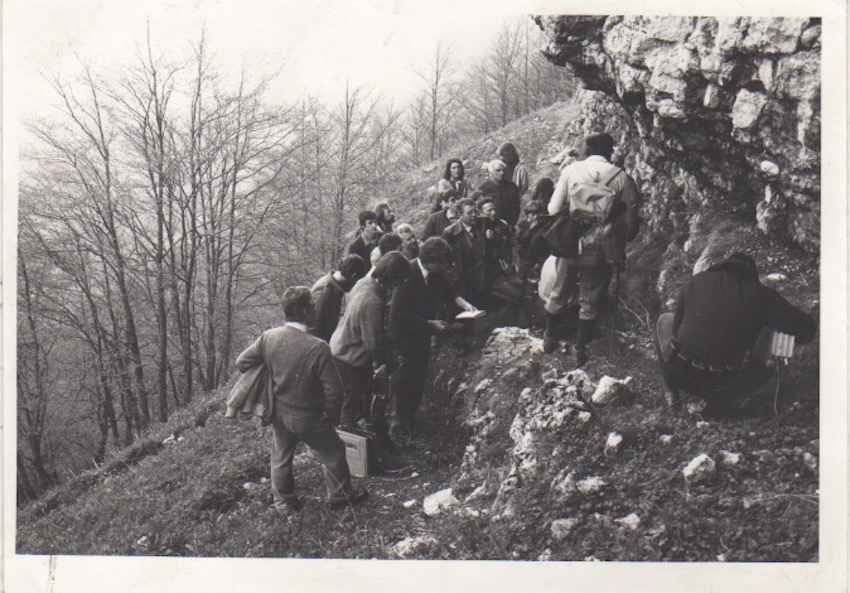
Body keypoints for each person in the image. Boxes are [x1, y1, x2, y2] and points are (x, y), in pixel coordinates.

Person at [235, 287, 368, 514]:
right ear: (306, 311)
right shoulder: (318, 347)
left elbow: (241, 362)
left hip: (278, 411)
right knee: (334, 450)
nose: (316, 310)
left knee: (280, 456)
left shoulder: (269, 337)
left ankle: (284, 503)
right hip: (309, 417)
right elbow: (335, 392)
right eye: (313, 306)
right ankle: (340, 496)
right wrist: (331, 417)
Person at [654, 252, 817, 412]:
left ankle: (671, 391)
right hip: (726, 385)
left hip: (680, 372)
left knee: (665, 319)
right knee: (772, 336)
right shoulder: (762, 295)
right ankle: (718, 402)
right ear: (751, 274)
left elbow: (676, 329)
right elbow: (807, 330)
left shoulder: (694, 282)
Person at [542, 132, 641, 365]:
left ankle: (549, 337)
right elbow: (630, 218)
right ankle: (579, 348)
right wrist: (620, 242)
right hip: (600, 242)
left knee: (559, 290)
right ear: (610, 151)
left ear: (587, 149)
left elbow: (553, 209)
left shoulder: (571, 170)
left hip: (570, 241)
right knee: (591, 295)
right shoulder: (621, 177)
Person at [388, 237, 479, 439]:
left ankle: (410, 421)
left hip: (422, 334)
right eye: (443, 264)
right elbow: (398, 314)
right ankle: (399, 427)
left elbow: (449, 292)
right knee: (404, 381)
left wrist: (465, 305)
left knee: (419, 378)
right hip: (403, 337)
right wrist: (430, 324)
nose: (446, 268)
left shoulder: (436, 275)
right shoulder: (407, 275)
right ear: (431, 261)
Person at [330, 252, 412, 432]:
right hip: (348, 357)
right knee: (350, 405)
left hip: (342, 348)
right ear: (392, 277)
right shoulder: (373, 301)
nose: (399, 285)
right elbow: (373, 342)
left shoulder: (364, 283)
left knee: (361, 400)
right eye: (399, 281)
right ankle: (350, 450)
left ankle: (370, 440)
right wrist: (389, 363)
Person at [310, 254, 367, 342]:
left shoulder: (334, 287)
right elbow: (316, 328)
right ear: (353, 276)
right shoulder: (325, 290)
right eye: (356, 281)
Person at [442, 198, 488, 306]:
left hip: (484, 275)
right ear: (460, 214)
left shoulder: (482, 224)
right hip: (465, 278)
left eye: (475, 212)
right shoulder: (450, 232)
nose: (474, 215)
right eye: (469, 213)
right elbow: (446, 259)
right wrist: (455, 277)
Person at [477, 159, 521, 227]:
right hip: (490, 225)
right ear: (491, 172)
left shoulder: (512, 187)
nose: (502, 173)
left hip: (508, 224)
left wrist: (511, 224)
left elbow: (516, 208)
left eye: (503, 170)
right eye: (498, 170)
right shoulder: (484, 189)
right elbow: (481, 210)